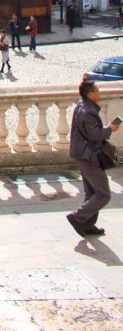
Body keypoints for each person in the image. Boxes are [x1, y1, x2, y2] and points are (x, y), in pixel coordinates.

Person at [67, 79, 120, 236]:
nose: (99, 93)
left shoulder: (81, 105)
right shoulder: (88, 112)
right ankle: (78, 217)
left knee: (91, 192)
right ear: (91, 94)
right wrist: (109, 129)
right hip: (89, 156)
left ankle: (87, 225)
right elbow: (95, 135)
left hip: (82, 155)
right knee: (103, 194)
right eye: (97, 91)